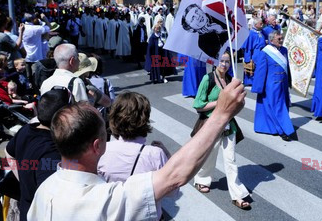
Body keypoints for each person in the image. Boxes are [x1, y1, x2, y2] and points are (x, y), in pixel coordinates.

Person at [28, 77, 246, 220]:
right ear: (97, 146)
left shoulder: (45, 191)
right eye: (104, 133)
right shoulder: (105, 202)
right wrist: (222, 114)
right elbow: (176, 176)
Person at [98, 92, 175, 220]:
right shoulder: (155, 154)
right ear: (145, 119)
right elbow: (172, 192)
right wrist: (167, 155)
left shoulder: (102, 150)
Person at [192, 51, 250, 210]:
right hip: (212, 124)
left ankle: (237, 194)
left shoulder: (232, 80)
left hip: (228, 125)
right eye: (222, 61)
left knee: (231, 159)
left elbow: (237, 106)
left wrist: (239, 99)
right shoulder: (208, 79)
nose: (224, 65)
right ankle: (202, 180)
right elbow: (198, 104)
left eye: (227, 62)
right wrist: (220, 103)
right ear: (215, 62)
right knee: (210, 155)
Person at [5, 88, 71, 221]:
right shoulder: (52, 151)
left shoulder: (25, 130)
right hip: (39, 214)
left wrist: (24, 179)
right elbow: (49, 198)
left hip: (26, 206)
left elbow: (8, 153)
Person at [252, 31, 294, 141]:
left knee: (280, 107)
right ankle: (284, 131)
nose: (281, 40)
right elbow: (261, 70)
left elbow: (287, 67)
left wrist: (289, 81)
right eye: (279, 39)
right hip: (271, 85)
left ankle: (275, 128)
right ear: (271, 41)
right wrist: (259, 87)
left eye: (281, 38)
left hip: (283, 84)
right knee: (277, 108)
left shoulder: (284, 50)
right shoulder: (265, 52)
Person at [241, 18, 266, 85]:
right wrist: (247, 58)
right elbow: (248, 47)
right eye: (260, 24)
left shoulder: (261, 31)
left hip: (263, 52)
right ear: (255, 24)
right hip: (256, 53)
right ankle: (250, 81)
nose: (262, 25)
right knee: (254, 67)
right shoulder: (251, 33)